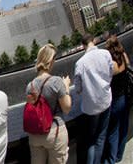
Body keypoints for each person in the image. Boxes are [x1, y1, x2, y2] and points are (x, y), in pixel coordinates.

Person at [25, 44, 72, 164]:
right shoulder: (56, 81)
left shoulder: (29, 86)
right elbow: (66, 108)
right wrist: (66, 86)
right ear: (50, 60)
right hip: (54, 131)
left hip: (35, 135)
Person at [74, 33, 114, 164]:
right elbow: (110, 73)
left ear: (83, 45)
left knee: (91, 139)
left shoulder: (80, 63)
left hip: (91, 108)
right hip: (106, 100)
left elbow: (78, 88)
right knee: (101, 137)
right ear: (94, 41)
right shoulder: (106, 54)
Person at [102, 35, 130, 164]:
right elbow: (128, 65)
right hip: (126, 97)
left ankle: (111, 159)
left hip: (115, 100)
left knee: (113, 131)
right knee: (124, 127)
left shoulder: (111, 65)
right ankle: (119, 155)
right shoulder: (124, 58)